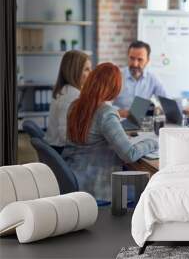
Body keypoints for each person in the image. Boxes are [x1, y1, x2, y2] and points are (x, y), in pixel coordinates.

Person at [63, 63, 158, 201]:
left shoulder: (75, 105)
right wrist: (154, 142)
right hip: (97, 186)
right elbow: (130, 154)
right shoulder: (106, 113)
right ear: (115, 87)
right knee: (150, 188)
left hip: (74, 177)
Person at [44, 50, 91, 154]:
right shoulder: (71, 95)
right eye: (87, 69)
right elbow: (64, 136)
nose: (91, 73)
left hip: (56, 148)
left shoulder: (65, 90)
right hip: (62, 151)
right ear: (75, 71)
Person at [113, 40, 167, 118]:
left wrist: (156, 109)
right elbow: (104, 104)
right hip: (117, 121)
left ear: (147, 60)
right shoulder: (116, 76)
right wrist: (119, 112)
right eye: (132, 58)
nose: (135, 64)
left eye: (140, 59)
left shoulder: (153, 79)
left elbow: (166, 104)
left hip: (142, 124)